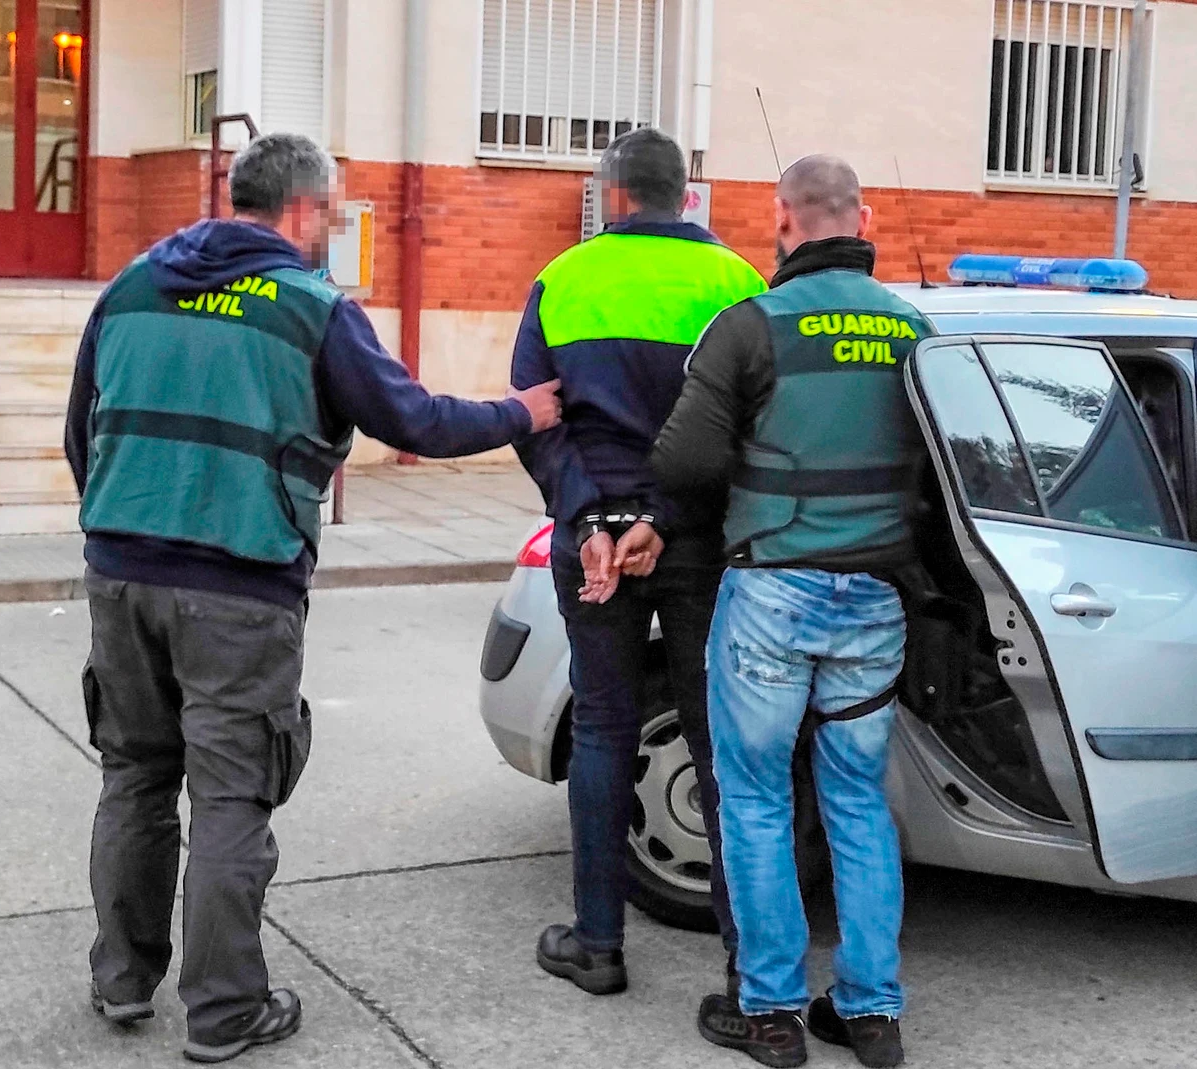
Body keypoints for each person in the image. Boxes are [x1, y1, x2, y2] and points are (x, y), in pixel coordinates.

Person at [65, 132, 561, 1063]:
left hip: (120, 573)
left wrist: (130, 522)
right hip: (240, 587)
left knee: (133, 776)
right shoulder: (310, 309)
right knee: (229, 796)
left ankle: (123, 980)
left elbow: (79, 431)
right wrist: (521, 413)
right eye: (330, 212)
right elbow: (413, 419)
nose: (332, 228)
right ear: (304, 210)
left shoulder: (130, 287)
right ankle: (224, 1013)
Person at [653, 155, 930, 1069]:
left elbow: (684, 465)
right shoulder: (917, 328)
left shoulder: (750, 327)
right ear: (862, 215)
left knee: (759, 797)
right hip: (877, 602)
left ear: (781, 219)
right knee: (857, 799)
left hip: (773, 590)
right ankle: (870, 1010)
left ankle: (770, 1010)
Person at [509, 128, 766, 997]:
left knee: (605, 727)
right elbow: (746, 433)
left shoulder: (563, 278)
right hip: (697, 536)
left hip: (590, 541)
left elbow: (536, 417)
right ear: (685, 195)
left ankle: (597, 943)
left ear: (612, 196)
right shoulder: (740, 285)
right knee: (714, 737)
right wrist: (663, 514)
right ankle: (744, 961)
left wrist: (591, 519)